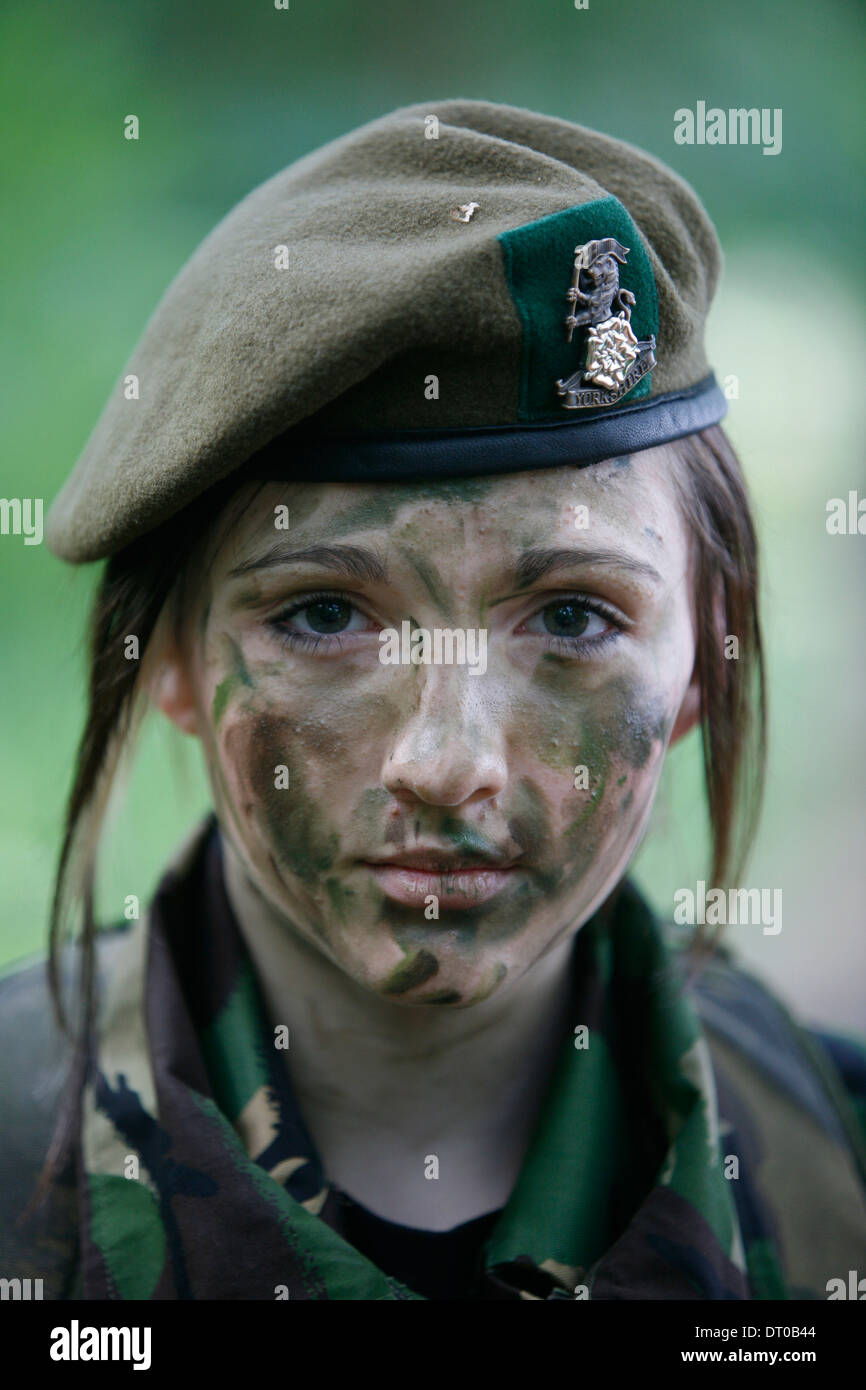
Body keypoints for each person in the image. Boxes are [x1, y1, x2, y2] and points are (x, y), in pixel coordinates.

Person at [2, 99, 865, 1302]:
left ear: (699, 669)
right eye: (322, 614)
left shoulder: (842, 1180)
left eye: (572, 616)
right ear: (175, 662)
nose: (447, 765)